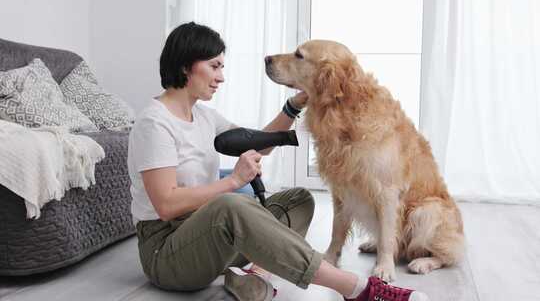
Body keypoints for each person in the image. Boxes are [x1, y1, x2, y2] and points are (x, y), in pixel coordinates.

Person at [127, 21, 429, 301]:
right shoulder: (155, 123)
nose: (221, 76)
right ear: (185, 66)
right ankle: (356, 288)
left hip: (209, 237)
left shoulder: (204, 115)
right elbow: (166, 204)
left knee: (298, 200)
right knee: (232, 204)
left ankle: (253, 275)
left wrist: (294, 105)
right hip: (167, 253)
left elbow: (258, 143)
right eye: (214, 66)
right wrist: (232, 182)